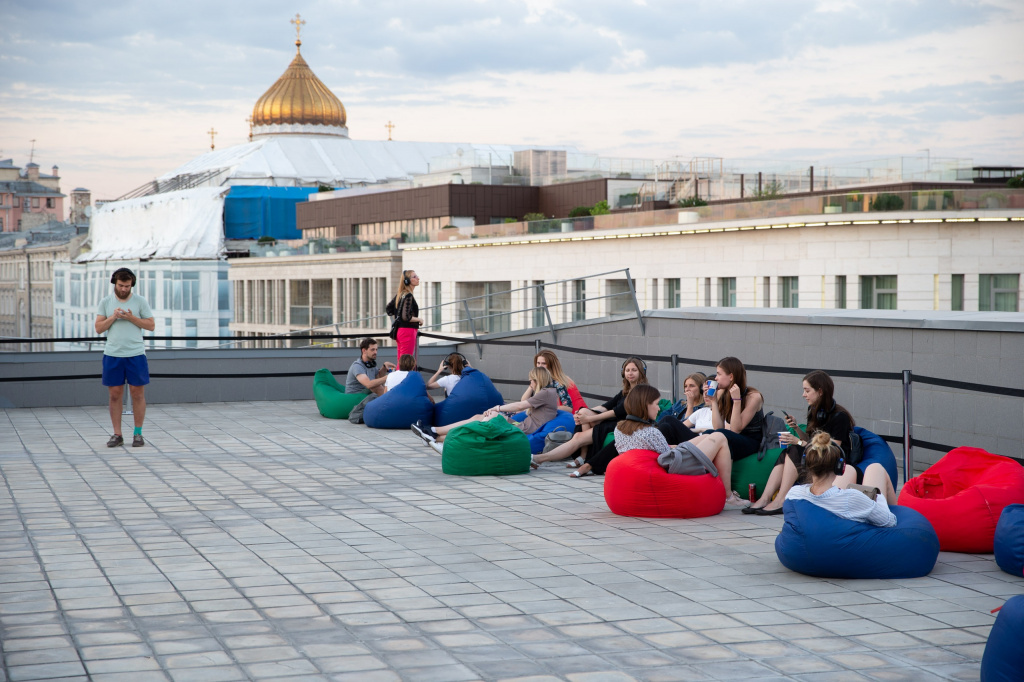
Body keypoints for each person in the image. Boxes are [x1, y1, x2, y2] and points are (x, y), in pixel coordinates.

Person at [746, 370, 856, 516]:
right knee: (788, 450)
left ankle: (781, 500)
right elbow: (810, 440)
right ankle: (765, 498)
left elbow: (832, 449)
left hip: (834, 461)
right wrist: (796, 428)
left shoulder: (839, 417)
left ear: (820, 391)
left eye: (807, 390)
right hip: (817, 454)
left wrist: (798, 442)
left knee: (794, 449)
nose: (804, 395)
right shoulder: (815, 410)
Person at [532, 357, 648, 467]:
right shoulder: (625, 392)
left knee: (578, 438)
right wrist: (584, 412)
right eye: (627, 370)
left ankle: (542, 458)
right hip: (614, 421)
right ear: (623, 373)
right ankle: (582, 456)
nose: (630, 373)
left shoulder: (640, 391)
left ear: (641, 372)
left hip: (623, 424)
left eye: (634, 370)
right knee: (583, 415)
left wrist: (589, 419)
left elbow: (616, 412)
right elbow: (606, 406)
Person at [412, 367, 559, 452]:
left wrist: (498, 407)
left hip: (522, 430)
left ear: (538, 380)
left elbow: (521, 405)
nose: (530, 383)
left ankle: (434, 433)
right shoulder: (547, 393)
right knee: (478, 417)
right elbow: (523, 401)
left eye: (531, 380)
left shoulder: (546, 393)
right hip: (519, 425)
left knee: (482, 421)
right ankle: (433, 433)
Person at [686, 357, 765, 508]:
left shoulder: (753, 396)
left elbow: (736, 429)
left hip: (751, 441)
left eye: (718, 374)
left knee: (721, 435)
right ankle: (682, 451)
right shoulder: (724, 393)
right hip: (732, 438)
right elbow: (717, 427)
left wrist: (737, 401)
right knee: (710, 432)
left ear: (731, 376)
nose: (715, 378)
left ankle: (690, 463)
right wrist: (714, 401)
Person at [95, 267, 155, 447]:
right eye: (121, 285)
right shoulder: (105, 302)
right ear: (115, 283)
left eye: (127, 286)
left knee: (137, 393)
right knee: (114, 394)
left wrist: (131, 318)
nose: (124, 289)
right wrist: (113, 317)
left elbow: (151, 325)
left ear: (132, 285)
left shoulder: (140, 301)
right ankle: (117, 434)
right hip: (113, 354)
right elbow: (99, 328)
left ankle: (138, 434)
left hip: (135, 354)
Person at [784, 431, 897, 526]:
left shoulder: (794, 494)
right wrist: (877, 498)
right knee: (875, 469)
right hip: (857, 536)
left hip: (821, 527)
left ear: (806, 465)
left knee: (850, 469)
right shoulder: (851, 498)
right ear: (839, 468)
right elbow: (889, 521)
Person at [571, 384, 667, 477]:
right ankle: (588, 463)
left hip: (626, 475)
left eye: (633, 370)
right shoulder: (653, 433)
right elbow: (668, 460)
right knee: (668, 423)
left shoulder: (619, 430)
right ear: (646, 405)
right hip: (647, 476)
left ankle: (589, 464)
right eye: (657, 404)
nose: (659, 408)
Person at [655, 372, 711, 445]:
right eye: (685, 386)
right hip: (670, 436)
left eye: (691, 386)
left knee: (668, 419)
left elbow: (686, 427)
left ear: (701, 389)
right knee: (665, 425)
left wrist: (690, 405)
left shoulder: (703, 408)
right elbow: (660, 419)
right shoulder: (680, 403)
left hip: (689, 439)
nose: (687, 389)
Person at [388, 270, 422, 360]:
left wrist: (397, 313)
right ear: (407, 281)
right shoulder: (408, 295)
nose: (418, 278)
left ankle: (399, 374)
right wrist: (419, 319)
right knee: (406, 361)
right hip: (408, 331)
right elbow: (406, 317)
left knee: (401, 360)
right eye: (414, 277)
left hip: (400, 331)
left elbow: (388, 309)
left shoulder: (401, 294)